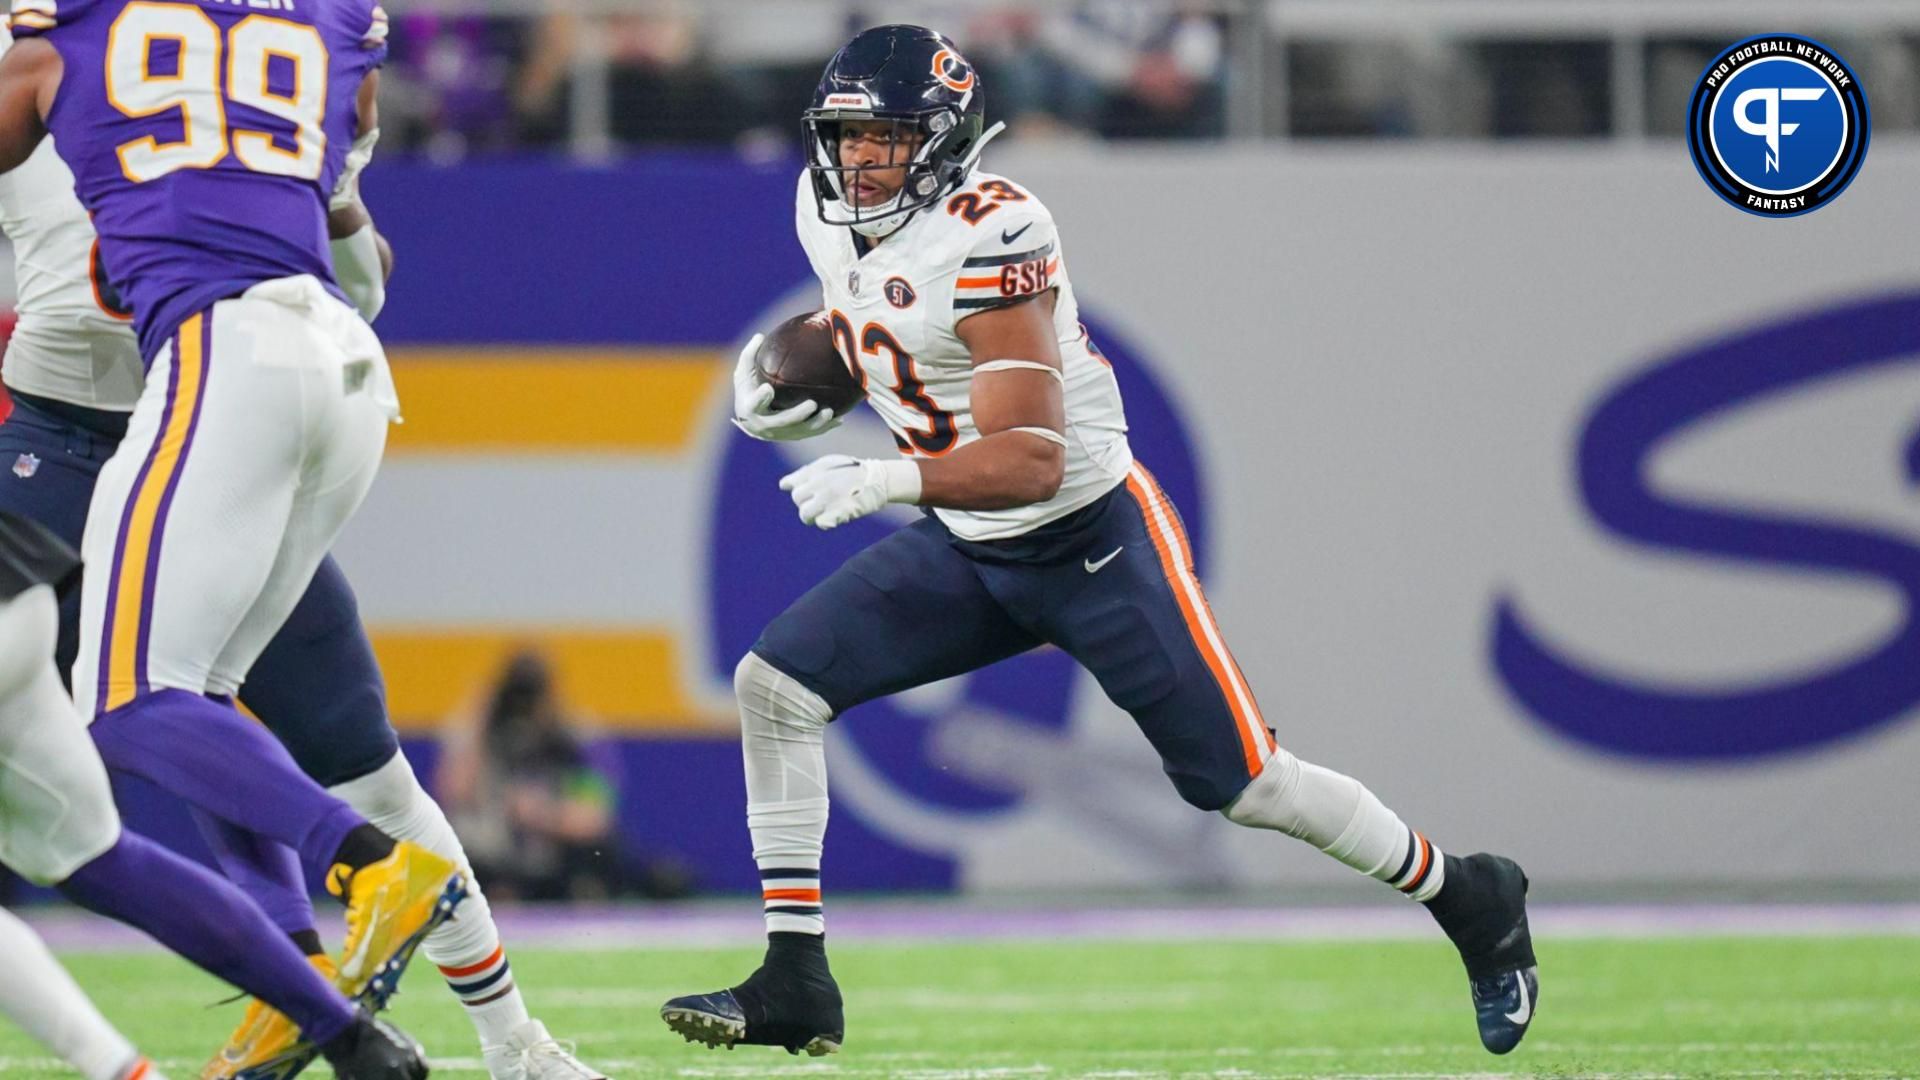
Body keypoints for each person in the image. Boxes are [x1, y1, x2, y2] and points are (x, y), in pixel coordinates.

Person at [661, 24, 1538, 1059]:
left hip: (1086, 541)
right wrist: (789, 376)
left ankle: (1471, 895)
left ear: (944, 143)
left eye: (887, 139)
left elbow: (1031, 457)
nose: (859, 160)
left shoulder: (997, 231)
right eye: (846, 136)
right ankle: (796, 979)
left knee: (1247, 784)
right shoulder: (826, 210)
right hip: (973, 541)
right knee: (777, 686)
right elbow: (878, 323)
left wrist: (882, 475)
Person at [0, 14, 608, 1080]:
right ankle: (306, 987)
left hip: (206, 403)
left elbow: (348, 237)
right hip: (90, 429)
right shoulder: (290, 40)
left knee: (284, 734)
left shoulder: (69, 42)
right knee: (184, 700)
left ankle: (511, 1034)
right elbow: (359, 266)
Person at [0, 511, 428, 1080]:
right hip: (19, 593)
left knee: (114, 787)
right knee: (94, 856)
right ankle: (350, 1038)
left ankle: (121, 1069)